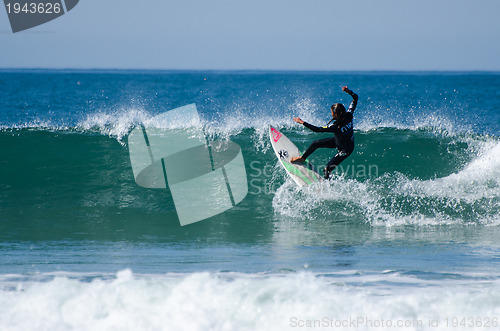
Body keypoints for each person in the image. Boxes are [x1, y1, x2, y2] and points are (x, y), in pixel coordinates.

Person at [291, 86, 358, 179]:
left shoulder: (336, 126)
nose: (331, 113)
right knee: (315, 144)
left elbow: (317, 130)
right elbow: (355, 98)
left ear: (336, 114)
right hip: (341, 140)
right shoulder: (349, 114)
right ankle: (303, 158)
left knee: (327, 169)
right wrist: (348, 91)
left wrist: (302, 122)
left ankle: (327, 188)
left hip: (345, 149)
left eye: (332, 112)